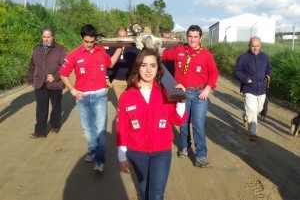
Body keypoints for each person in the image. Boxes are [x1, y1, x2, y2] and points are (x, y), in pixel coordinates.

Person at [116, 49, 188, 200]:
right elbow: (121, 126)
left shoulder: (165, 93)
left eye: (153, 65)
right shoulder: (127, 96)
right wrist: (121, 156)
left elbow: (177, 120)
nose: (148, 70)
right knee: (144, 189)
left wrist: (181, 101)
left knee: (156, 195)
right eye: (144, 65)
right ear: (138, 67)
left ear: (158, 68)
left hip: (161, 152)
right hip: (137, 152)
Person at [60, 24, 122, 172]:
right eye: (86, 41)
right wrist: (74, 92)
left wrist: (120, 48)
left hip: (100, 96)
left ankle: (100, 160)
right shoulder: (74, 55)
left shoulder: (101, 52)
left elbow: (111, 63)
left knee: (100, 129)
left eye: (92, 41)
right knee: (88, 129)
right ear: (81, 38)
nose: (89, 44)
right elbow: (63, 74)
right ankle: (92, 151)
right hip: (82, 98)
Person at [161, 25, 219, 168]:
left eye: (195, 37)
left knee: (198, 125)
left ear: (200, 38)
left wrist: (207, 89)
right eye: (190, 36)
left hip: (200, 95)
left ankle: (201, 156)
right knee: (183, 123)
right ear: (186, 37)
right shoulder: (179, 51)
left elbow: (214, 73)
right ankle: (184, 147)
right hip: (183, 93)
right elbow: (163, 55)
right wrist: (152, 46)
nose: (192, 39)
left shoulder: (206, 54)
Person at [27, 26, 67, 138]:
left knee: (56, 106)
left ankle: (55, 125)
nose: (46, 39)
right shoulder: (36, 49)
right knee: (41, 107)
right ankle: (39, 131)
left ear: (53, 37)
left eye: (48, 37)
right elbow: (32, 65)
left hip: (55, 84)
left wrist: (55, 76)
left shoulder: (60, 49)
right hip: (40, 83)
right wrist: (30, 79)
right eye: (44, 36)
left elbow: (66, 67)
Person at [234, 36, 272, 141]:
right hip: (249, 87)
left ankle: (246, 117)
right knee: (252, 109)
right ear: (249, 45)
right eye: (253, 46)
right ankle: (252, 133)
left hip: (262, 87)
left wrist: (267, 77)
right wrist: (246, 79)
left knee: (259, 109)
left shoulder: (264, 56)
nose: (255, 48)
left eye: (257, 46)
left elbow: (269, 68)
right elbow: (237, 71)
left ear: (261, 45)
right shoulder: (243, 57)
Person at [106, 27, 140, 99]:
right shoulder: (112, 46)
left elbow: (139, 62)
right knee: (121, 102)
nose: (122, 39)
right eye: (120, 37)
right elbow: (110, 64)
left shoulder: (134, 46)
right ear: (117, 36)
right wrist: (119, 48)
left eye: (124, 36)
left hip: (131, 80)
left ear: (127, 36)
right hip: (117, 80)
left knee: (132, 102)